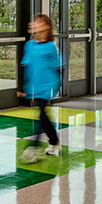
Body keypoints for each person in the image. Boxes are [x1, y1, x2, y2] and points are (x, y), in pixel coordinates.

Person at [18, 14, 61, 161]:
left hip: (47, 86)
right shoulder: (29, 45)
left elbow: (57, 68)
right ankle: (54, 140)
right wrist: (23, 87)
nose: (33, 24)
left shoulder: (50, 46)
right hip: (33, 87)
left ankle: (33, 149)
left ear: (46, 27)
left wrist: (56, 86)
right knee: (44, 118)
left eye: (37, 22)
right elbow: (25, 66)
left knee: (41, 115)